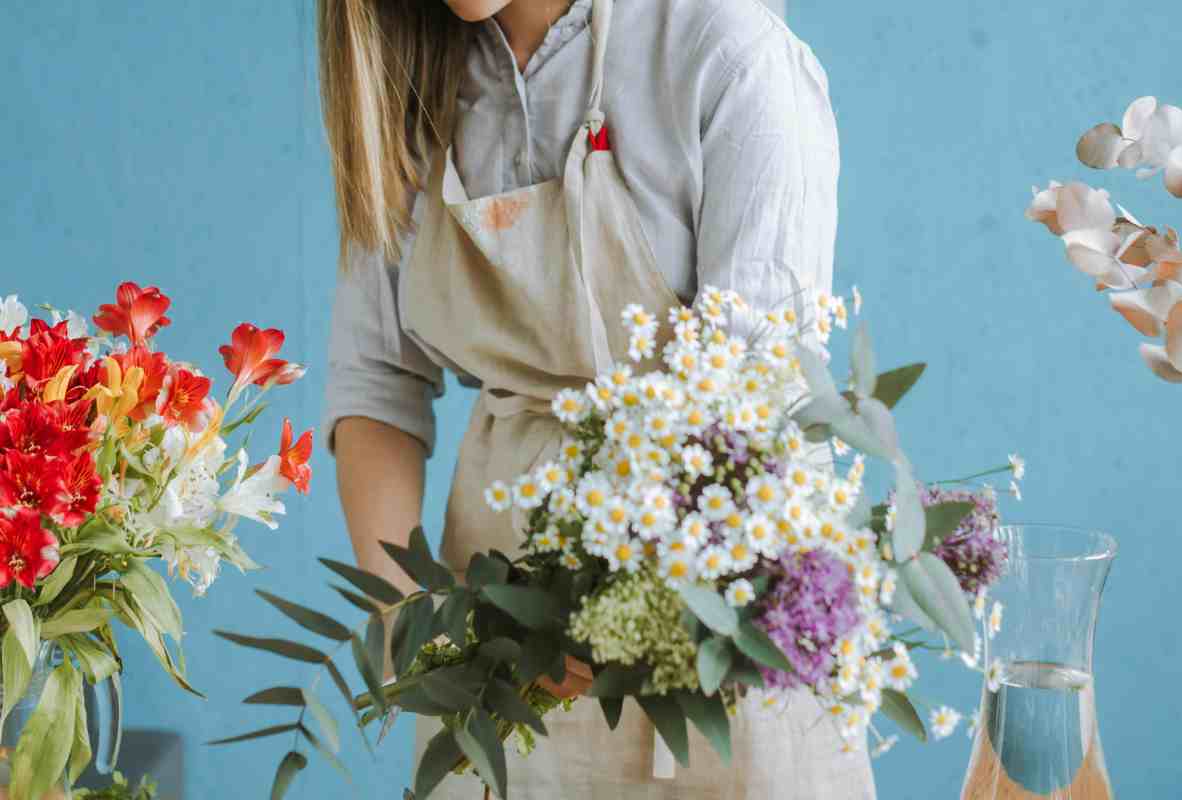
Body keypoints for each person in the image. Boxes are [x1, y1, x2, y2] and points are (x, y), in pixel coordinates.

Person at [320, 0, 869, 796]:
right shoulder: (402, 74)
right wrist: (423, 627)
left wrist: (610, 609)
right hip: (493, 629)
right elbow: (377, 381)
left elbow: (759, 400)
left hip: (722, 608)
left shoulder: (726, 47)